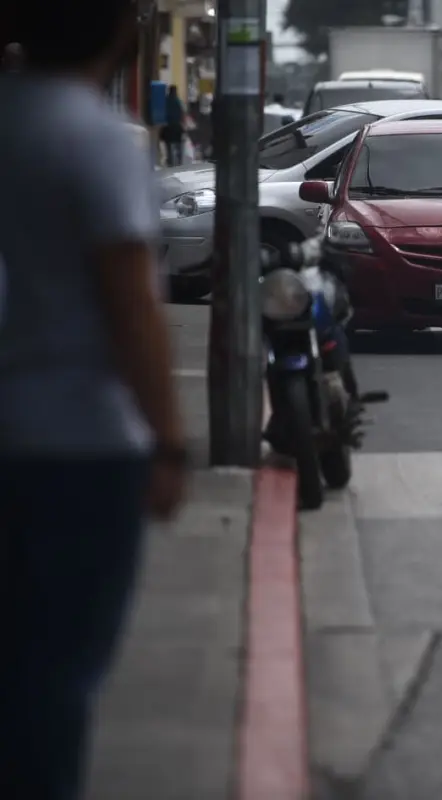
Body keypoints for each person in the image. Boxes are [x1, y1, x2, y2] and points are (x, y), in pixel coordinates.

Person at [0, 0, 188, 796]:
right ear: (123, 33)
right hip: (81, 445)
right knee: (60, 673)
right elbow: (130, 302)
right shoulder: (100, 140)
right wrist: (170, 441)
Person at [162, 83, 184, 166]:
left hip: (168, 127)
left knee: (169, 146)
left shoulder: (166, 101)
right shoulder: (178, 101)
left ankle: (170, 162)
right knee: (178, 146)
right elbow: (182, 113)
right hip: (177, 127)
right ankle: (179, 162)